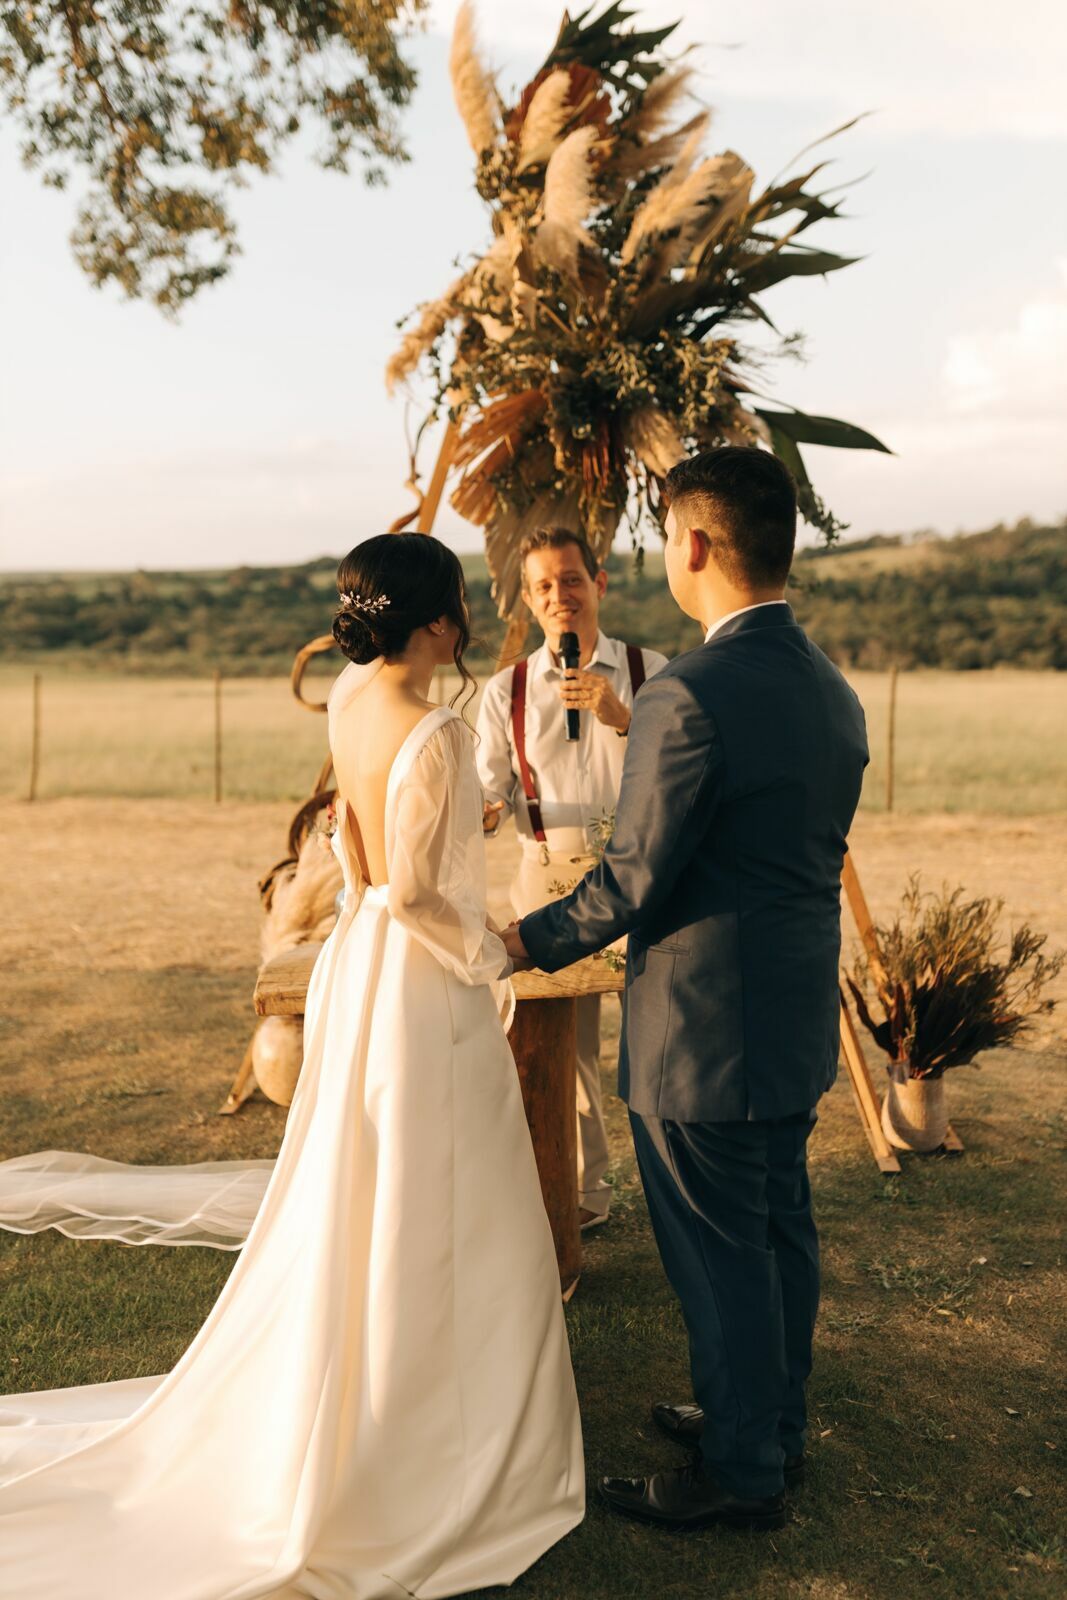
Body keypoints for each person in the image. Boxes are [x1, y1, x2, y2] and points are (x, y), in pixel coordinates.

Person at [0, 534, 584, 1598]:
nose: (465, 621)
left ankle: (372, 1379)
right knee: (441, 1192)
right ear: (438, 624)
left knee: (362, 1177)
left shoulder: (355, 697)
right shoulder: (441, 733)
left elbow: (361, 853)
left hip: (357, 967)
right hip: (418, 979)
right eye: (460, 606)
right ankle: (433, 1434)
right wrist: (489, 951)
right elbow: (419, 895)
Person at [504, 447, 869, 1533]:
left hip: (701, 1030)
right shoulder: (829, 686)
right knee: (776, 1231)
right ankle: (765, 1417)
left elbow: (632, 876)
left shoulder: (687, 690)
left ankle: (741, 1468)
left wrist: (517, 938)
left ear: (695, 544)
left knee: (717, 1256)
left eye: (665, 537)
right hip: (793, 1009)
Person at [476, 528, 667, 1230]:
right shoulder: (508, 689)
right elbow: (486, 786)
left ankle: (673, 1174)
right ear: (528, 601)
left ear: (599, 584)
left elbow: (679, 771)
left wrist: (622, 720)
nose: (560, 595)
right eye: (544, 586)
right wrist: (489, 809)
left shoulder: (653, 672)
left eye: (571, 579)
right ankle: (584, 1192)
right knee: (562, 1046)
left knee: (659, 1033)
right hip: (547, 875)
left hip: (643, 871)